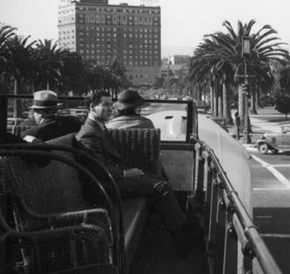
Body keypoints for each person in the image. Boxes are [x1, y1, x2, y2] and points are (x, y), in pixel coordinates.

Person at [76, 90, 199, 256]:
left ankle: (181, 229)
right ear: (92, 107)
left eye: (110, 104)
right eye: (104, 105)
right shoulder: (89, 133)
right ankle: (181, 238)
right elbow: (98, 169)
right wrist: (126, 174)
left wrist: (131, 171)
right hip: (103, 188)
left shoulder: (98, 127)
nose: (109, 108)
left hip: (109, 182)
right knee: (160, 187)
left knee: (156, 179)